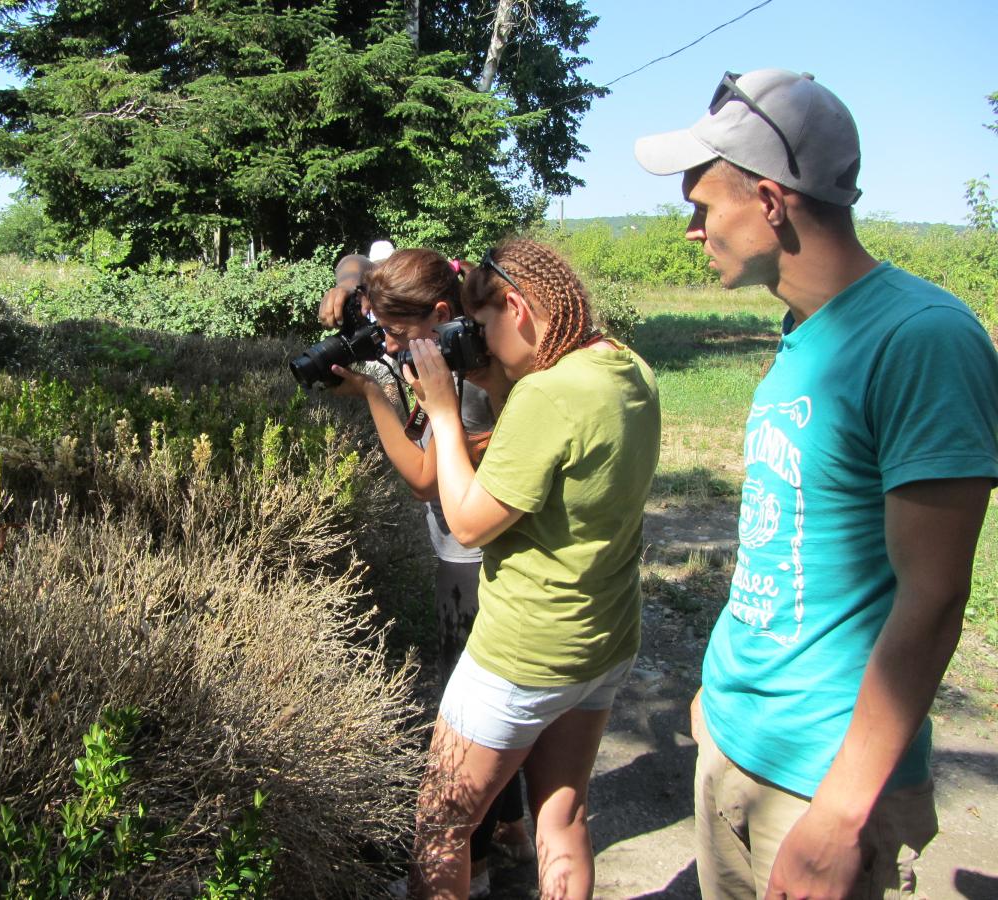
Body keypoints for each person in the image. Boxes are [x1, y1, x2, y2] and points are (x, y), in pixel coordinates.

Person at [634, 68, 998, 898]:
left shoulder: (922, 339)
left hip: (821, 780)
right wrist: (719, 695)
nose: (693, 230)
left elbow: (936, 596)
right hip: (738, 737)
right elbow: (786, 534)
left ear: (769, 201)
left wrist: (840, 812)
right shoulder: (806, 335)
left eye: (702, 206)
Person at [403, 239, 661, 899]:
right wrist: (494, 381)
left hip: (524, 651)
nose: (478, 341)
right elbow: (562, 450)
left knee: (441, 822)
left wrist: (440, 407)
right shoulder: (627, 368)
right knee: (564, 812)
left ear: (516, 306)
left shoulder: (547, 396)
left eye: (482, 324)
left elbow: (463, 519)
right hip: (602, 641)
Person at [317, 247, 534, 898]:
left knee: (468, 721)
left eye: (395, 332)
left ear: (440, 314)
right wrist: (349, 285)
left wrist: (367, 392)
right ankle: (513, 832)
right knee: (494, 714)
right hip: (467, 552)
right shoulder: (459, 338)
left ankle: (473, 868)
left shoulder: (463, 373)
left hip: (472, 559)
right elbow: (360, 261)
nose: (385, 344)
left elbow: (421, 477)